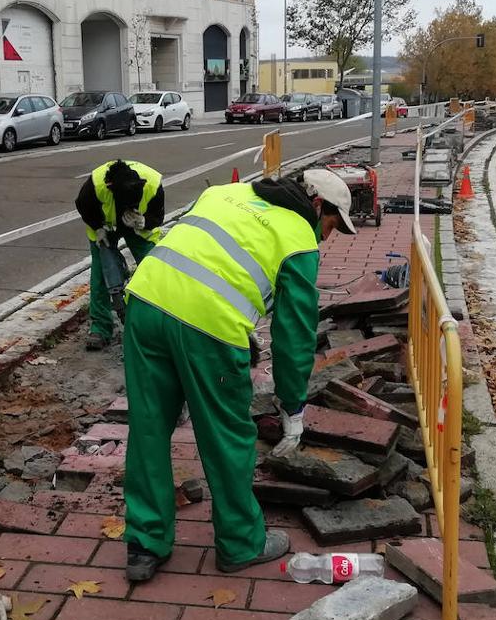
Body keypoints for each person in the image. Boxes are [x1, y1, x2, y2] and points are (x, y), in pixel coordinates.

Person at [120, 169, 358, 581]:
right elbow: (294, 334)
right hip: (207, 329)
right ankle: (240, 543)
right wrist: (292, 404)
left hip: (144, 303)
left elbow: (204, 254)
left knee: (148, 430)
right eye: (331, 227)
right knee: (227, 437)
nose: (326, 238)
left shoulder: (227, 191)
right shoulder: (298, 237)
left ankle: (145, 544)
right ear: (317, 205)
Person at [74, 159, 165, 351]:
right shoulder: (96, 186)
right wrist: (98, 228)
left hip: (138, 228)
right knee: (100, 275)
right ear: (111, 189)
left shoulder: (153, 184)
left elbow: (158, 216)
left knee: (154, 270)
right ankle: (100, 327)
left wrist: (144, 221)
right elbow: (83, 206)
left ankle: (159, 321)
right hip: (105, 227)